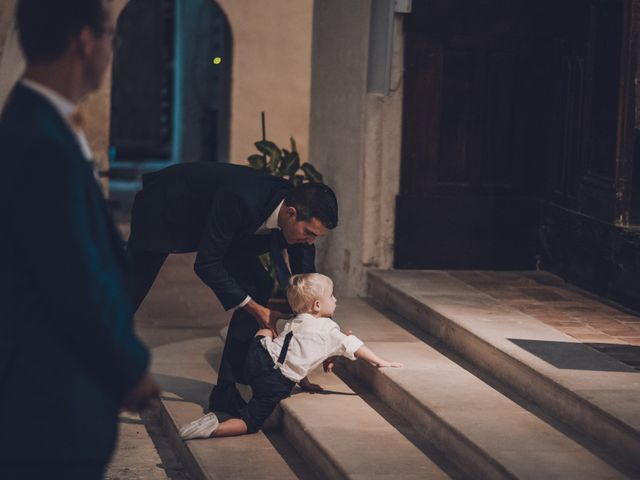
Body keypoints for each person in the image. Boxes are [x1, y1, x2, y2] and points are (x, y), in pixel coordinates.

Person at [0, 1, 159, 478]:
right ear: (85, 40)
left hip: (49, 404)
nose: (113, 51)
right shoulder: (40, 142)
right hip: (46, 409)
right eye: (112, 36)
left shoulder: (39, 124)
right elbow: (74, 278)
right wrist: (130, 368)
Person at [127, 161, 338, 416]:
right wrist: (254, 308)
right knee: (129, 292)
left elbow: (311, 288)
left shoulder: (298, 222)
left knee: (259, 283)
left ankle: (225, 391)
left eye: (317, 237)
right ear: (291, 213)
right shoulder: (241, 198)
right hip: (166, 209)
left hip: (234, 229)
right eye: (309, 233)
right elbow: (206, 264)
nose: (310, 241)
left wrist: (323, 334)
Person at [179, 272, 402, 439]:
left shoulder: (295, 320)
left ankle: (266, 328)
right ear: (317, 305)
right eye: (332, 296)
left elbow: (298, 355)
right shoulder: (329, 330)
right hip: (274, 382)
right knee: (250, 422)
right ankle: (214, 428)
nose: (336, 300)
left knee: (268, 331)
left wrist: (304, 382)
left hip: (257, 354)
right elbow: (356, 346)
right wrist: (381, 361)